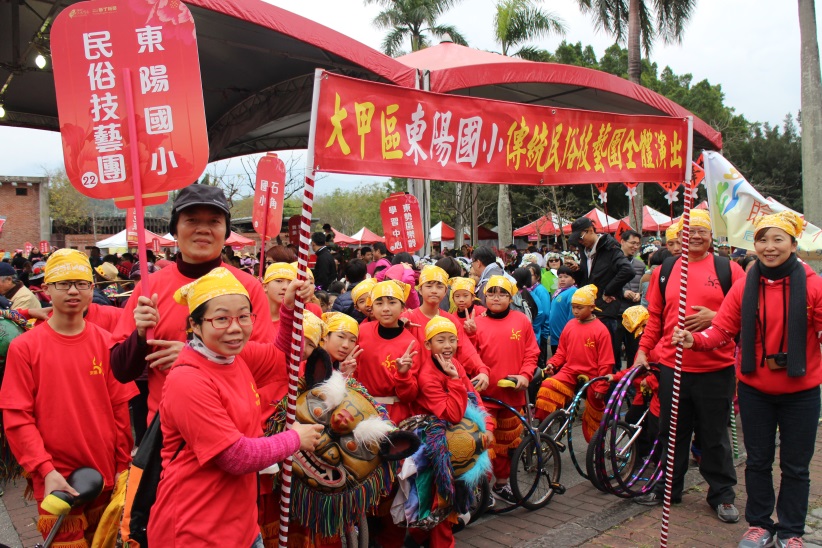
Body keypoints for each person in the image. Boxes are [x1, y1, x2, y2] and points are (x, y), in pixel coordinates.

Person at [672, 211, 822, 548]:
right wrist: (694, 339)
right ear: (754, 245)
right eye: (762, 240)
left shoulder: (813, 285)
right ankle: (759, 524)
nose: (769, 247)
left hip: (802, 392)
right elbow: (723, 329)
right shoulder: (744, 286)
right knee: (757, 461)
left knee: (796, 466)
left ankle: (791, 531)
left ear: (793, 244)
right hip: (756, 389)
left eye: (777, 239)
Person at [144, 267, 322, 547]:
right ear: (195, 324)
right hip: (195, 530)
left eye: (243, 317)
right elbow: (235, 457)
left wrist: (288, 309)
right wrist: (295, 438)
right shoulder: (188, 379)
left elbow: (282, 355)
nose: (235, 328)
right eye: (221, 319)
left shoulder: (234, 356)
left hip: (242, 526)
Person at [0, 249, 138, 546]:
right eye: (63, 283)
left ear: (92, 288)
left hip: (105, 476)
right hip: (55, 479)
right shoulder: (25, 348)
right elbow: (17, 416)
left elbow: (120, 412)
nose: (73, 290)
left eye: (81, 283)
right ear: (46, 288)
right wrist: (45, 469)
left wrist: (122, 468)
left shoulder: (107, 342)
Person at [109, 185, 274, 424]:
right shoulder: (149, 288)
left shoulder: (247, 287)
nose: (203, 230)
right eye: (192, 220)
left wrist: (194, 356)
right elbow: (122, 371)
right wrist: (141, 336)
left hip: (233, 427)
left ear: (226, 232)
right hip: (168, 434)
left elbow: (265, 366)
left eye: (214, 221)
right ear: (174, 230)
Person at [633, 210, 743, 523]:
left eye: (702, 232)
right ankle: (669, 488)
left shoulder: (729, 269)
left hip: (716, 367)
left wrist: (716, 316)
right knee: (672, 433)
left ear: (712, 237)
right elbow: (654, 317)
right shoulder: (665, 270)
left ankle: (721, 495)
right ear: (680, 236)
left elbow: (747, 311)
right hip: (673, 366)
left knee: (714, 435)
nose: (695, 236)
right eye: (689, 231)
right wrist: (643, 350)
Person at [409, 316, 494, 548]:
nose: (448, 346)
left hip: (458, 436)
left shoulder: (454, 364)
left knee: (446, 506)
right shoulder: (427, 375)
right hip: (435, 446)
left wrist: (488, 426)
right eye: (441, 340)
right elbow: (452, 414)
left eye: (452, 340)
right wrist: (455, 381)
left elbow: (473, 397)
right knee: (438, 502)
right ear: (428, 345)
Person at [472, 275, 539, 503]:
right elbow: (468, 358)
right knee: (485, 445)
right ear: (484, 296)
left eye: (502, 293)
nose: (496, 297)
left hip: (513, 395)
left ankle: (502, 485)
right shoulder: (476, 323)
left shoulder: (521, 321)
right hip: (484, 398)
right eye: (491, 293)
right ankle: (481, 491)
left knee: (508, 445)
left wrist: (525, 375)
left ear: (511, 297)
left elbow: (532, 352)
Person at [534, 285, 613, 441]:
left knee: (594, 414)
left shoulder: (601, 330)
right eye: (573, 307)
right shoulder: (570, 325)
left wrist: (602, 385)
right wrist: (553, 364)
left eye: (579, 308)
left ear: (591, 307)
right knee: (547, 386)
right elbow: (561, 352)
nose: (575, 311)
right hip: (569, 371)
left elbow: (606, 361)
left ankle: (596, 445)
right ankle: (544, 428)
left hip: (593, 376)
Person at [403, 266, 491, 392]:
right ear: (420, 290)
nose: (434, 291)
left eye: (439, 286)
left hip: (444, 388)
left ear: (445, 292)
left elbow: (465, 350)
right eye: (429, 285)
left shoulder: (451, 320)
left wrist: (481, 369)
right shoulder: (407, 318)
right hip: (413, 389)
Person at [566, 216, 634, 366]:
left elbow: (628, 271)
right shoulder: (584, 251)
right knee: (591, 356)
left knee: (607, 359)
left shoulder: (610, 248)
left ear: (590, 230)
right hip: (589, 310)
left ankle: (612, 388)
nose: (579, 241)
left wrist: (609, 291)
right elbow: (588, 280)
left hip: (606, 311)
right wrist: (578, 271)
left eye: (581, 237)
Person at [613, 229, 645, 371]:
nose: (635, 246)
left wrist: (640, 294)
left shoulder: (641, 265)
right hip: (617, 313)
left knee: (634, 350)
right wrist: (623, 292)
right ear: (622, 242)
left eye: (638, 244)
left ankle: (631, 382)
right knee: (614, 350)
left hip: (635, 315)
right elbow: (606, 285)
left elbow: (644, 285)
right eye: (632, 243)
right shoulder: (613, 261)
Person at [548, 266, 577, 354]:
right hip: (555, 337)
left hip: (564, 337)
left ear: (573, 280)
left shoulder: (572, 291)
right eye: (560, 277)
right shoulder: (559, 292)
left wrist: (568, 333)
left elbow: (572, 315)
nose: (562, 279)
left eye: (566, 277)